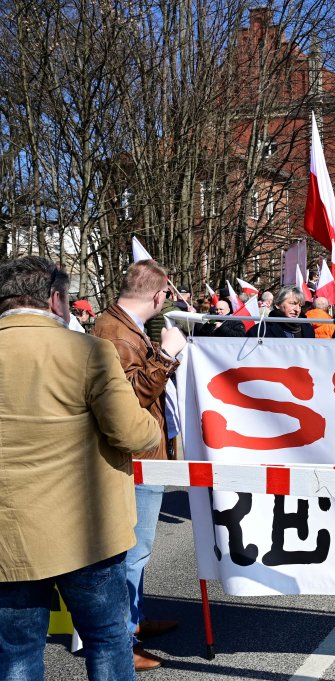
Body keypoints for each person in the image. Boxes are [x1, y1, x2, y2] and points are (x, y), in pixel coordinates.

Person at [0, 256, 162, 680]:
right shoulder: (88, 351)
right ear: (55, 299)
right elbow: (133, 433)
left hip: (8, 536)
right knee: (108, 640)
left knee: (17, 652)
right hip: (86, 531)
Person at [90, 259, 188, 672]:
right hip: (135, 457)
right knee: (133, 549)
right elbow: (129, 397)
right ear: (158, 295)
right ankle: (122, 639)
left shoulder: (119, 327)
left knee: (138, 549)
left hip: (144, 454)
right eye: (166, 295)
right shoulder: (116, 332)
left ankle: (135, 619)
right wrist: (166, 356)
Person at [247, 286, 315, 339]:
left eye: (300, 306)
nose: (297, 309)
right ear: (277, 304)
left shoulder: (307, 328)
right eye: (292, 304)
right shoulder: (260, 331)